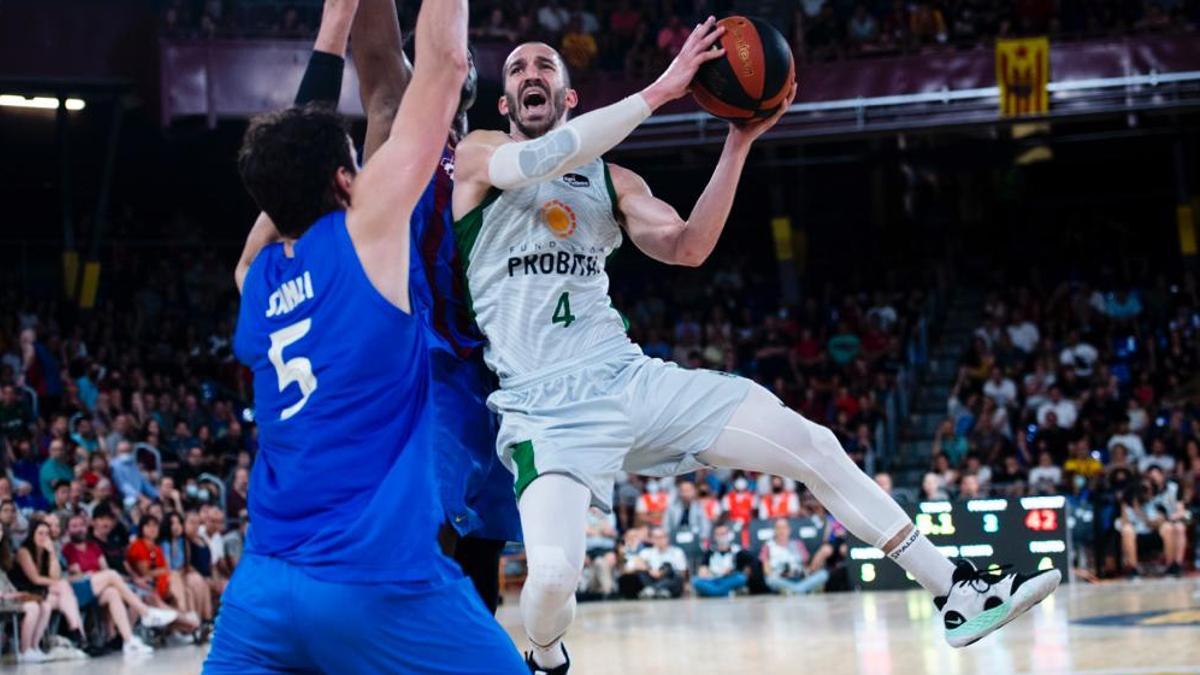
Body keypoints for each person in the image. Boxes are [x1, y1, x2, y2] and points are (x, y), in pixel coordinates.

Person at [450, 27, 1057, 672]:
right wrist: (662, 89)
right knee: (549, 579)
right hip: (543, 411)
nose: (530, 72)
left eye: (545, 65)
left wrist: (738, 142)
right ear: (506, 102)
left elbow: (687, 246)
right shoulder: (479, 155)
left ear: (570, 97)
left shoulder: (610, 178)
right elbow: (535, 163)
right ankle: (546, 657)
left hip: (627, 378)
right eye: (517, 69)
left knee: (814, 445)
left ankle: (954, 590)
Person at [203, 0, 524, 671]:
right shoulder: (368, 237)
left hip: (262, 590)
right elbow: (442, 64)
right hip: (374, 580)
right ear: (349, 181)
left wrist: (332, 28)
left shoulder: (254, 280)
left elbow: (285, 181)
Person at [63, 513, 176, 654]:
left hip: (97, 587)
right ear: (67, 530)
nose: (79, 529)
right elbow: (78, 574)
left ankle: (128, 641)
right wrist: (99, 576)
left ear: (86, 527)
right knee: (111, 575)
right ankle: (146, 612)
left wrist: (102, 576)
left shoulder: (93, 547)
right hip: (77, 590)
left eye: (81, 525)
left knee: (113, 592)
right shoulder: (68, 549)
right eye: (74, 526)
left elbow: (104, 568)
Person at [11, 518, 91, 658]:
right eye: (40, 533)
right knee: (63, 586)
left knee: (50, 604)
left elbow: (55, 575)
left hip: (41, 592)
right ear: (32, 534)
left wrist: (53, 553)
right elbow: (35, 578)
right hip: (25, 590)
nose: (43, 537)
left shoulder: (47, 551)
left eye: (46, 534)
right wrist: (57, 583)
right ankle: (77, 632)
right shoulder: (23, 551)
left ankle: (35, 647)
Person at [0, 528, 52, 663]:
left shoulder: (3, 555)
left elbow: (5, 581)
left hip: (8, 595)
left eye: (0, 529)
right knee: (33, 607)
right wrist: (7, 595)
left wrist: (16, 593)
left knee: (45, 605)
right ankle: (24, 649)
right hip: (2, 599)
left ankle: (34, 647)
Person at [760, 519, 827, 595]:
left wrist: (806, 572)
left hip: (799, 577)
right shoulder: (768, 546)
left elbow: (806, 566)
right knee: (770, 580)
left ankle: (794, 590)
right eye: (779, 528)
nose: (782, 531)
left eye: (784, 528)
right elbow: (766, 571)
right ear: (774, 530)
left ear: (789, 530)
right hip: (781, 579)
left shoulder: (798, 544)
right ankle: (801, 589)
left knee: (823, 574)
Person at [692, 523, 749, 597]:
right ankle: (725, 593)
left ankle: (714, 592)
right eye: (718, 534)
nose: (721, 537)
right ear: (715, 536)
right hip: (713, 579)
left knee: (741, 578)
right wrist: (704, 572)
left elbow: (746, 569)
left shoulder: (737, 551)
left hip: (728, 580)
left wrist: (731, 571)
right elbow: (703, 569)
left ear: (728, 534)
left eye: (723, 534)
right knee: (695, 581)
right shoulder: (710, 551)